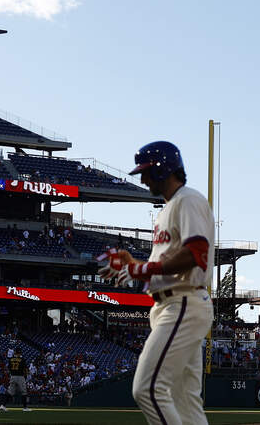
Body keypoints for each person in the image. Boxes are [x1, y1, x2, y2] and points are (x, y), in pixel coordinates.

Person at [98, 141, 215, 425]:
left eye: (147, 171)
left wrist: (143, 268)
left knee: (147, 389)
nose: (142, 178)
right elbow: (167, 260)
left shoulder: (188, 199)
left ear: (164, 169)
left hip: (183, 303)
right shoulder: (167, 209)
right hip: (173, 304)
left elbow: (196, 253)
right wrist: (135, 264)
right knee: (186, 404)